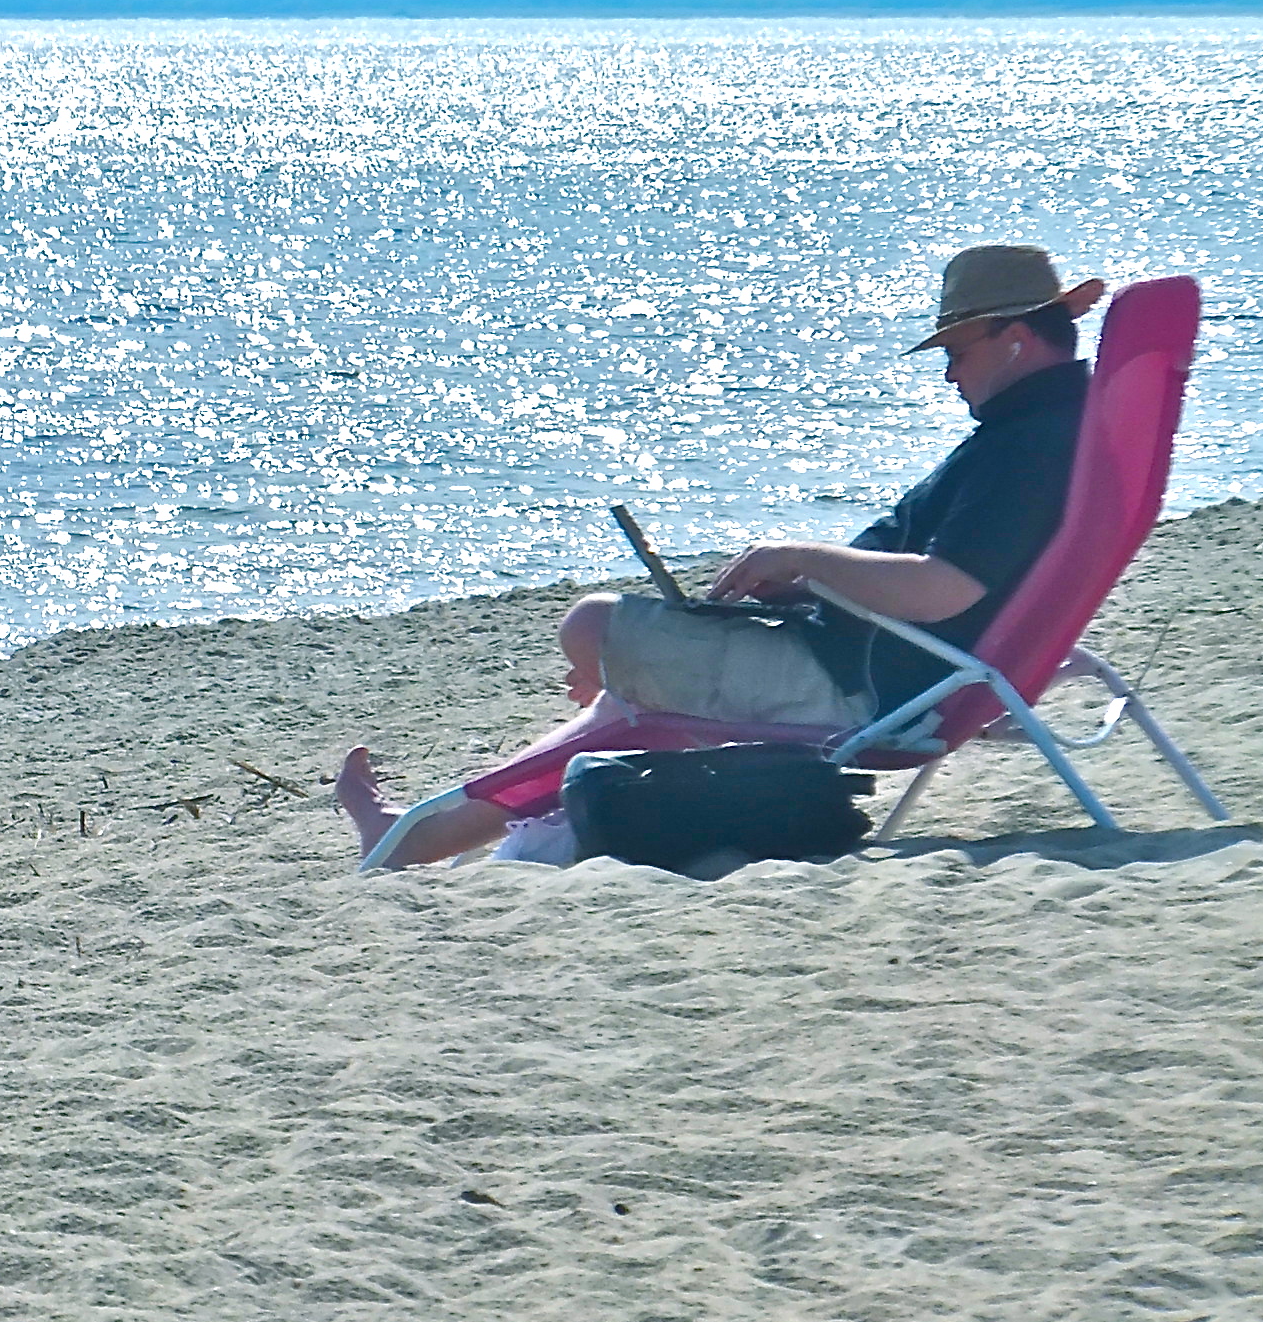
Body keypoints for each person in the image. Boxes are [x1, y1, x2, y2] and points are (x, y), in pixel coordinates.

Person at [335, 244, 1105, 866]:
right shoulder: (1049, 432)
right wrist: (802, 584)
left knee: (592, 628)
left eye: (958, 349)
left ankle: (417, 835)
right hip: (881, 663)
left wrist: (797, 555)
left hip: (869, 687)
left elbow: (944, 589)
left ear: (1013, 338)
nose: (947, 371)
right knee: (624, 701)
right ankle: (419, 833)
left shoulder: (1024, 451)